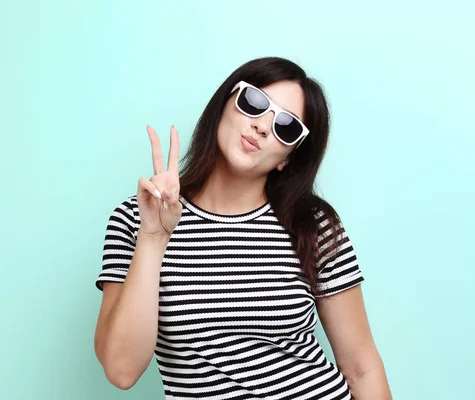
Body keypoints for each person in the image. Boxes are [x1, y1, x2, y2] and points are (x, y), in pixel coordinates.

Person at [94, 56, 392, 399]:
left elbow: (361, 365)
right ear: (224, 104)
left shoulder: (313, 226)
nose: (263, 127)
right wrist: (153, 237)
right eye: (253, 102)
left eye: (287, 126)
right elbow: (121, 370)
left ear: (287, 158)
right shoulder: (136, 219)